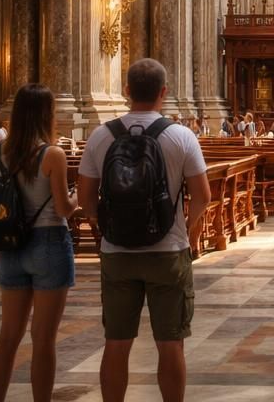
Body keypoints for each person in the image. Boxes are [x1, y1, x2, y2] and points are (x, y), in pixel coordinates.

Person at [77, 59, 210, 401]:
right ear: (164, 93)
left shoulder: (101, 135)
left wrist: (104, 228)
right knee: (171, 345)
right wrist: (188, 234)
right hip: (168, 251)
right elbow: (203, 197)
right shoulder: (182, 136)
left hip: (117, 252)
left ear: (126, 91)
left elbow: (86, 198)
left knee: (116, 344)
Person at [0, 84, 79, 402]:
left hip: (12, 244)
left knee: (8, 336)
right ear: (47, 115)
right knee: (43, 338)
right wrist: (78, 198)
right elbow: (63, 208)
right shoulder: (53, 154)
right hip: (49, 243)